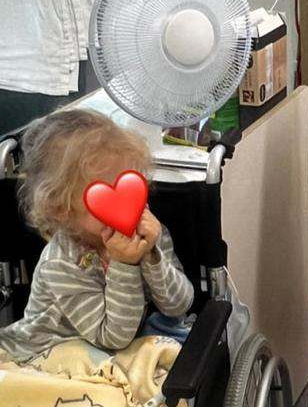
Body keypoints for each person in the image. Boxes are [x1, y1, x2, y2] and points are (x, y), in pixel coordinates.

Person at [0, 109, 194, 361]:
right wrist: (124, 263)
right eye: (104, 193)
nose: (125, 205)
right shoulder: (60, 263)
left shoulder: (145, 228)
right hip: (51, 351)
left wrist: (151, 256)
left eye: (127, 184)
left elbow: (180, 304)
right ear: (61, 208)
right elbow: (114, 336)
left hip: (117, 341)